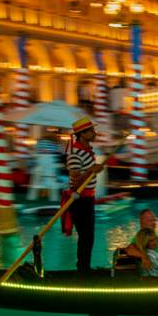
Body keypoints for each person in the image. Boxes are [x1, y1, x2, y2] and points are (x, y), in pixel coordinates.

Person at [62, 116, 103, 273]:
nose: (94, 132)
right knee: (85, 237)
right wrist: (91, 171)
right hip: (79, 200)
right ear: (83, 134)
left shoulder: (87, 151)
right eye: (91, 130)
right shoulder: (75, 154)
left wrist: (93, 171)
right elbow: (76, 182)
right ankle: (83, 269)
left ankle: (85, 268)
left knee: (89, 236)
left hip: (88, 198)